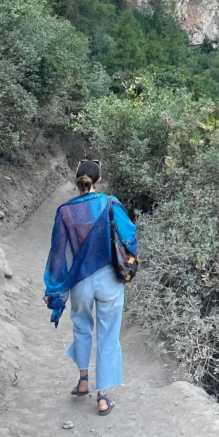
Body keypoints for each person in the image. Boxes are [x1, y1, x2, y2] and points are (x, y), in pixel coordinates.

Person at [43, 160, 137, 415]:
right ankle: (103, 397)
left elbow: (58, 254)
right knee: (108, 336)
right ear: (98, 179)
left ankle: (83, 381)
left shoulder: (65, 211)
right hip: (109, 279)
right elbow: (129, 235)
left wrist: (55, 289)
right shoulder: (109, 203)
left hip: (80, 282)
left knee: (82, 327)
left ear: (76, 179)